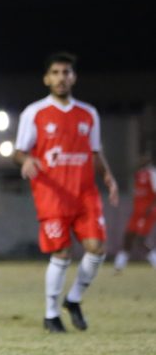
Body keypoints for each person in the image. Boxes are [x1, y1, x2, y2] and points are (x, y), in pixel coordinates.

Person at [14, 52, 119, 333]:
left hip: (85, 193)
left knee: (97, 249)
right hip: (52, 194)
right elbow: (18, 151)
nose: (61, 77)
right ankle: (51, 315)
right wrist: (26, 160)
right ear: (46, 78)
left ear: (74, 77)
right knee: (61, 253)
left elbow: (95, 151)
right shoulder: (34, 112)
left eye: (66, 72)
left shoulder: (88, 113)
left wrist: (107, 175)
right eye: (56, 72)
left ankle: (73, 300)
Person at [113, 152, 156, 273]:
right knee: (128, 236)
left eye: (143, 158)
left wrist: (150, 208)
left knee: (140, 240)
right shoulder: (138, 174)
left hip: (147, 212)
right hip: (137, 212)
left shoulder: (152, 173)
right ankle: (119, 265)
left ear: (149, 161)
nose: (140, 160)